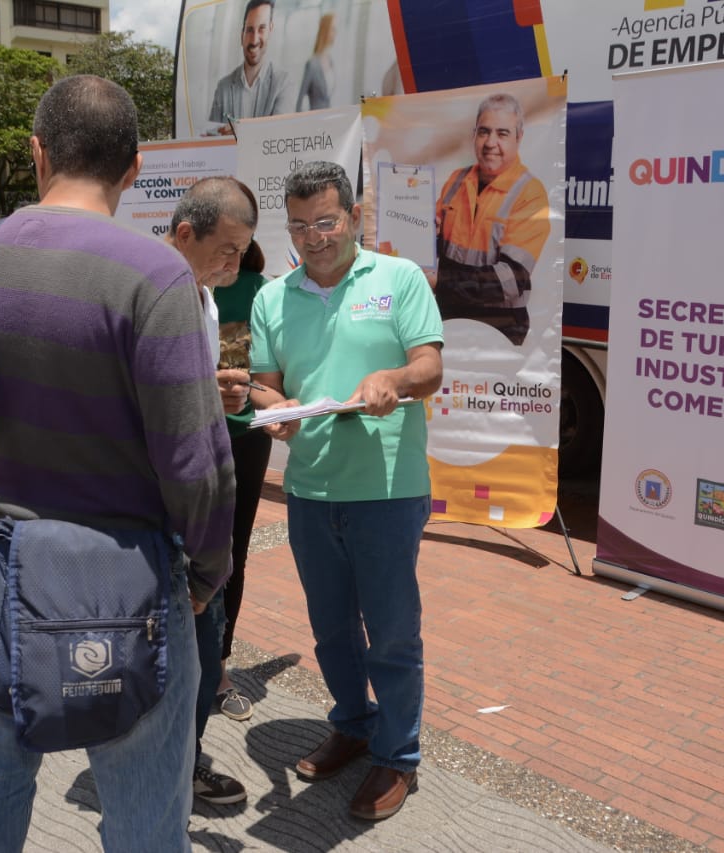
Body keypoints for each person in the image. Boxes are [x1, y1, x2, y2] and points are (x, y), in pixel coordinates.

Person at [0, 75, 235, 852]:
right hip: (130, 574)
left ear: (37, 153)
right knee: (140, 794)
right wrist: (206, 572)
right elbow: (193, 461)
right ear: (134, 169)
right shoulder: (156, 274)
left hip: (5, 559)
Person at [248, 161, 443, 821]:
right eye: (300, 226)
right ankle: (354, 724)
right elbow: (266, 384)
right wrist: (276, 408)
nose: (314, 237)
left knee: (391, 631)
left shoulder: (399, 278)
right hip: (309, 487)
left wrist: (395, 377)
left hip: (387, 488)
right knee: (332, 629)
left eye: (326, 221)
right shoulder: (273, 297)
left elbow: (430, 365)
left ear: (355, 218)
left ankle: (397, 756)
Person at [167, 176, 264, 807]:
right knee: (183, 661)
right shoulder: (154, 296)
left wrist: (219, 391)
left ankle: (181, 763)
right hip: (169, 519)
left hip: (202, 514)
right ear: (184, 235)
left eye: (243, 251)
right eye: (227, 250)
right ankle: (167, 777)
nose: (236, 265)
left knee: (202, 661)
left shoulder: (201, 298)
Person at [433, 92, 549, 346]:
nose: (490, 142)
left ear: (519, 138)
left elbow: (509, 281)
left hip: (498, 330)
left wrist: (439, 279)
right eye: (484, 132)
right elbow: (438, 250)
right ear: (474, 134)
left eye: (502, 133)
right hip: (447, 320)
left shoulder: (530, 194)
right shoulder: (456, 180)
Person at [211, 237, 271, 723]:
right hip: (190, 434)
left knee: (231, 553)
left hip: (244, 436)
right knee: (204, 552)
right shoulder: (181, 286)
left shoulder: (260, 291)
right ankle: (203, 663)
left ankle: (218, 667)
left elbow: (269, 372)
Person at [207, 0, 296, 131]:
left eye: (261, 28)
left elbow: (279, 137)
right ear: (241, 36)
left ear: (270, 30)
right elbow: (212, 139)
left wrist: (239, 131)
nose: (254, 40)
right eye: (249, 30)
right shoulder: (223, 88)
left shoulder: (284, 84)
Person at [296, 14, 335, 111]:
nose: (335, 33)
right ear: (326, 31)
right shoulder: (312, 64)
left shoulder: (330, 60)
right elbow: (300, 101)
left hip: (329, 118)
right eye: (333, 29)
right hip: (315, 120)